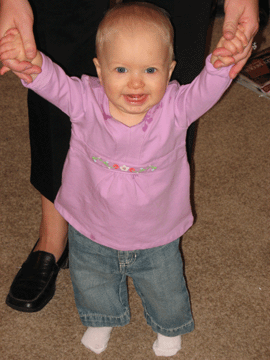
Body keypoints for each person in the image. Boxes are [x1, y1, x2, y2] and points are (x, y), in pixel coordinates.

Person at [0, 2, 249, 356]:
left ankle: (168, 327)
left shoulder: (176, 109)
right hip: (90, 227)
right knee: (91, 282)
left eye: (150, 69)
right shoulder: (85, 100)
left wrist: (221, 65)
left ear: (170, 70)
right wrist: (29, 64)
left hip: (156, 234)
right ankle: (101, 318)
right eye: (120, 69)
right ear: (99, 71)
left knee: (165, 287)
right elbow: (52, 83)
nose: (135, 82)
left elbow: (205, 91)